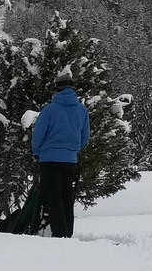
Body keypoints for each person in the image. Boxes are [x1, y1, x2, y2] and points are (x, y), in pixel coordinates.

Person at [31, 68, 90, 238]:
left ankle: (59, 235)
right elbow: (85, 136)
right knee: (66, 198)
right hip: (70, 160)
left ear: (56, 89)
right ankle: (67, 233)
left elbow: (38, 135)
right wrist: (72, 150)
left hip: (49, 159)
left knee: (54, 198)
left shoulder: (49, 110)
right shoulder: (81, 110)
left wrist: (37, 152)